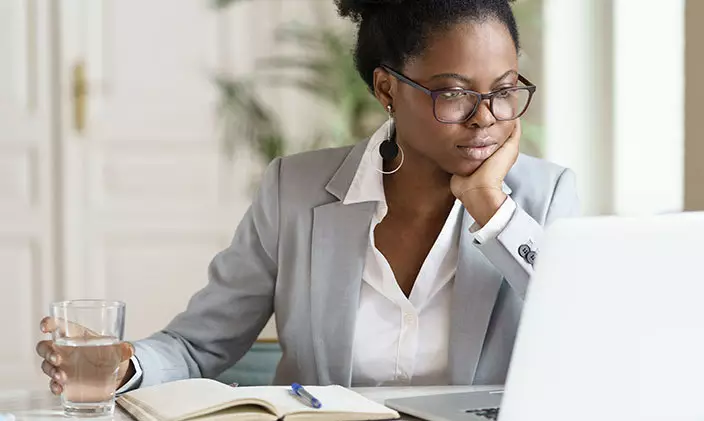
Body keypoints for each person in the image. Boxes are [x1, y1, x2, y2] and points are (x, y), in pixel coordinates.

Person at [36, 0, 579, 394]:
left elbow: (586, 334)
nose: (486, 117)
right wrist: (123, 364)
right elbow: (200, 345)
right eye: (455, 93)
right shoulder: (293, 193)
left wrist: (491, 205)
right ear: (387, 88)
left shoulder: (543, 198)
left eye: (505, 91)